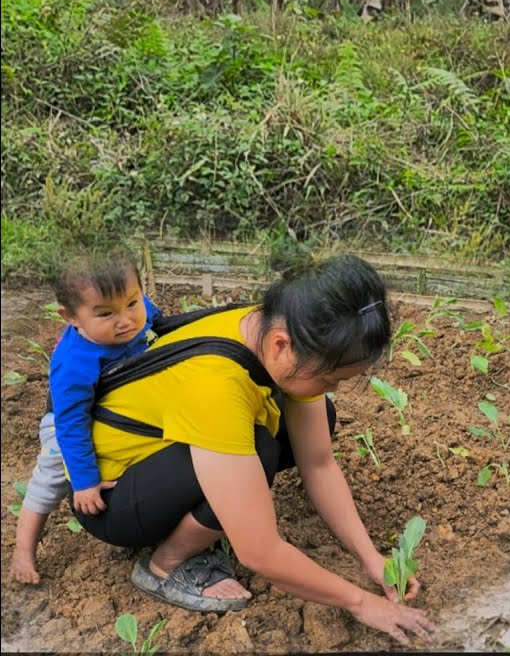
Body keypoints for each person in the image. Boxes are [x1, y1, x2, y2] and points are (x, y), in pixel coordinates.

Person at [70, 254, 436, 647]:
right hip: (111, 498)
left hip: (162, 456)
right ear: (282, 346)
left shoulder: (286, 326)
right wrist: (361, 602)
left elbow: (318, 463)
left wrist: (370, 558)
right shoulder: (217, 387)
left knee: (311, 418)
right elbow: (260, 553)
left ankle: (208, 519)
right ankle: (166, 564)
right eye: (331, 378)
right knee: (260, 448)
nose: (334, 388)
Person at [9, 248, 161, 585]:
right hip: (67, 425)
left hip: (116, 410)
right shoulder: (73, 363)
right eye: (106, 313)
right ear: (71, 317)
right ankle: (23, 550)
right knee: (49, 478)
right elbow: (71, 424)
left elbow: (155, 318)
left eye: (132, 303)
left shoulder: (140, 313)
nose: (126, 320)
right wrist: (85, 480)